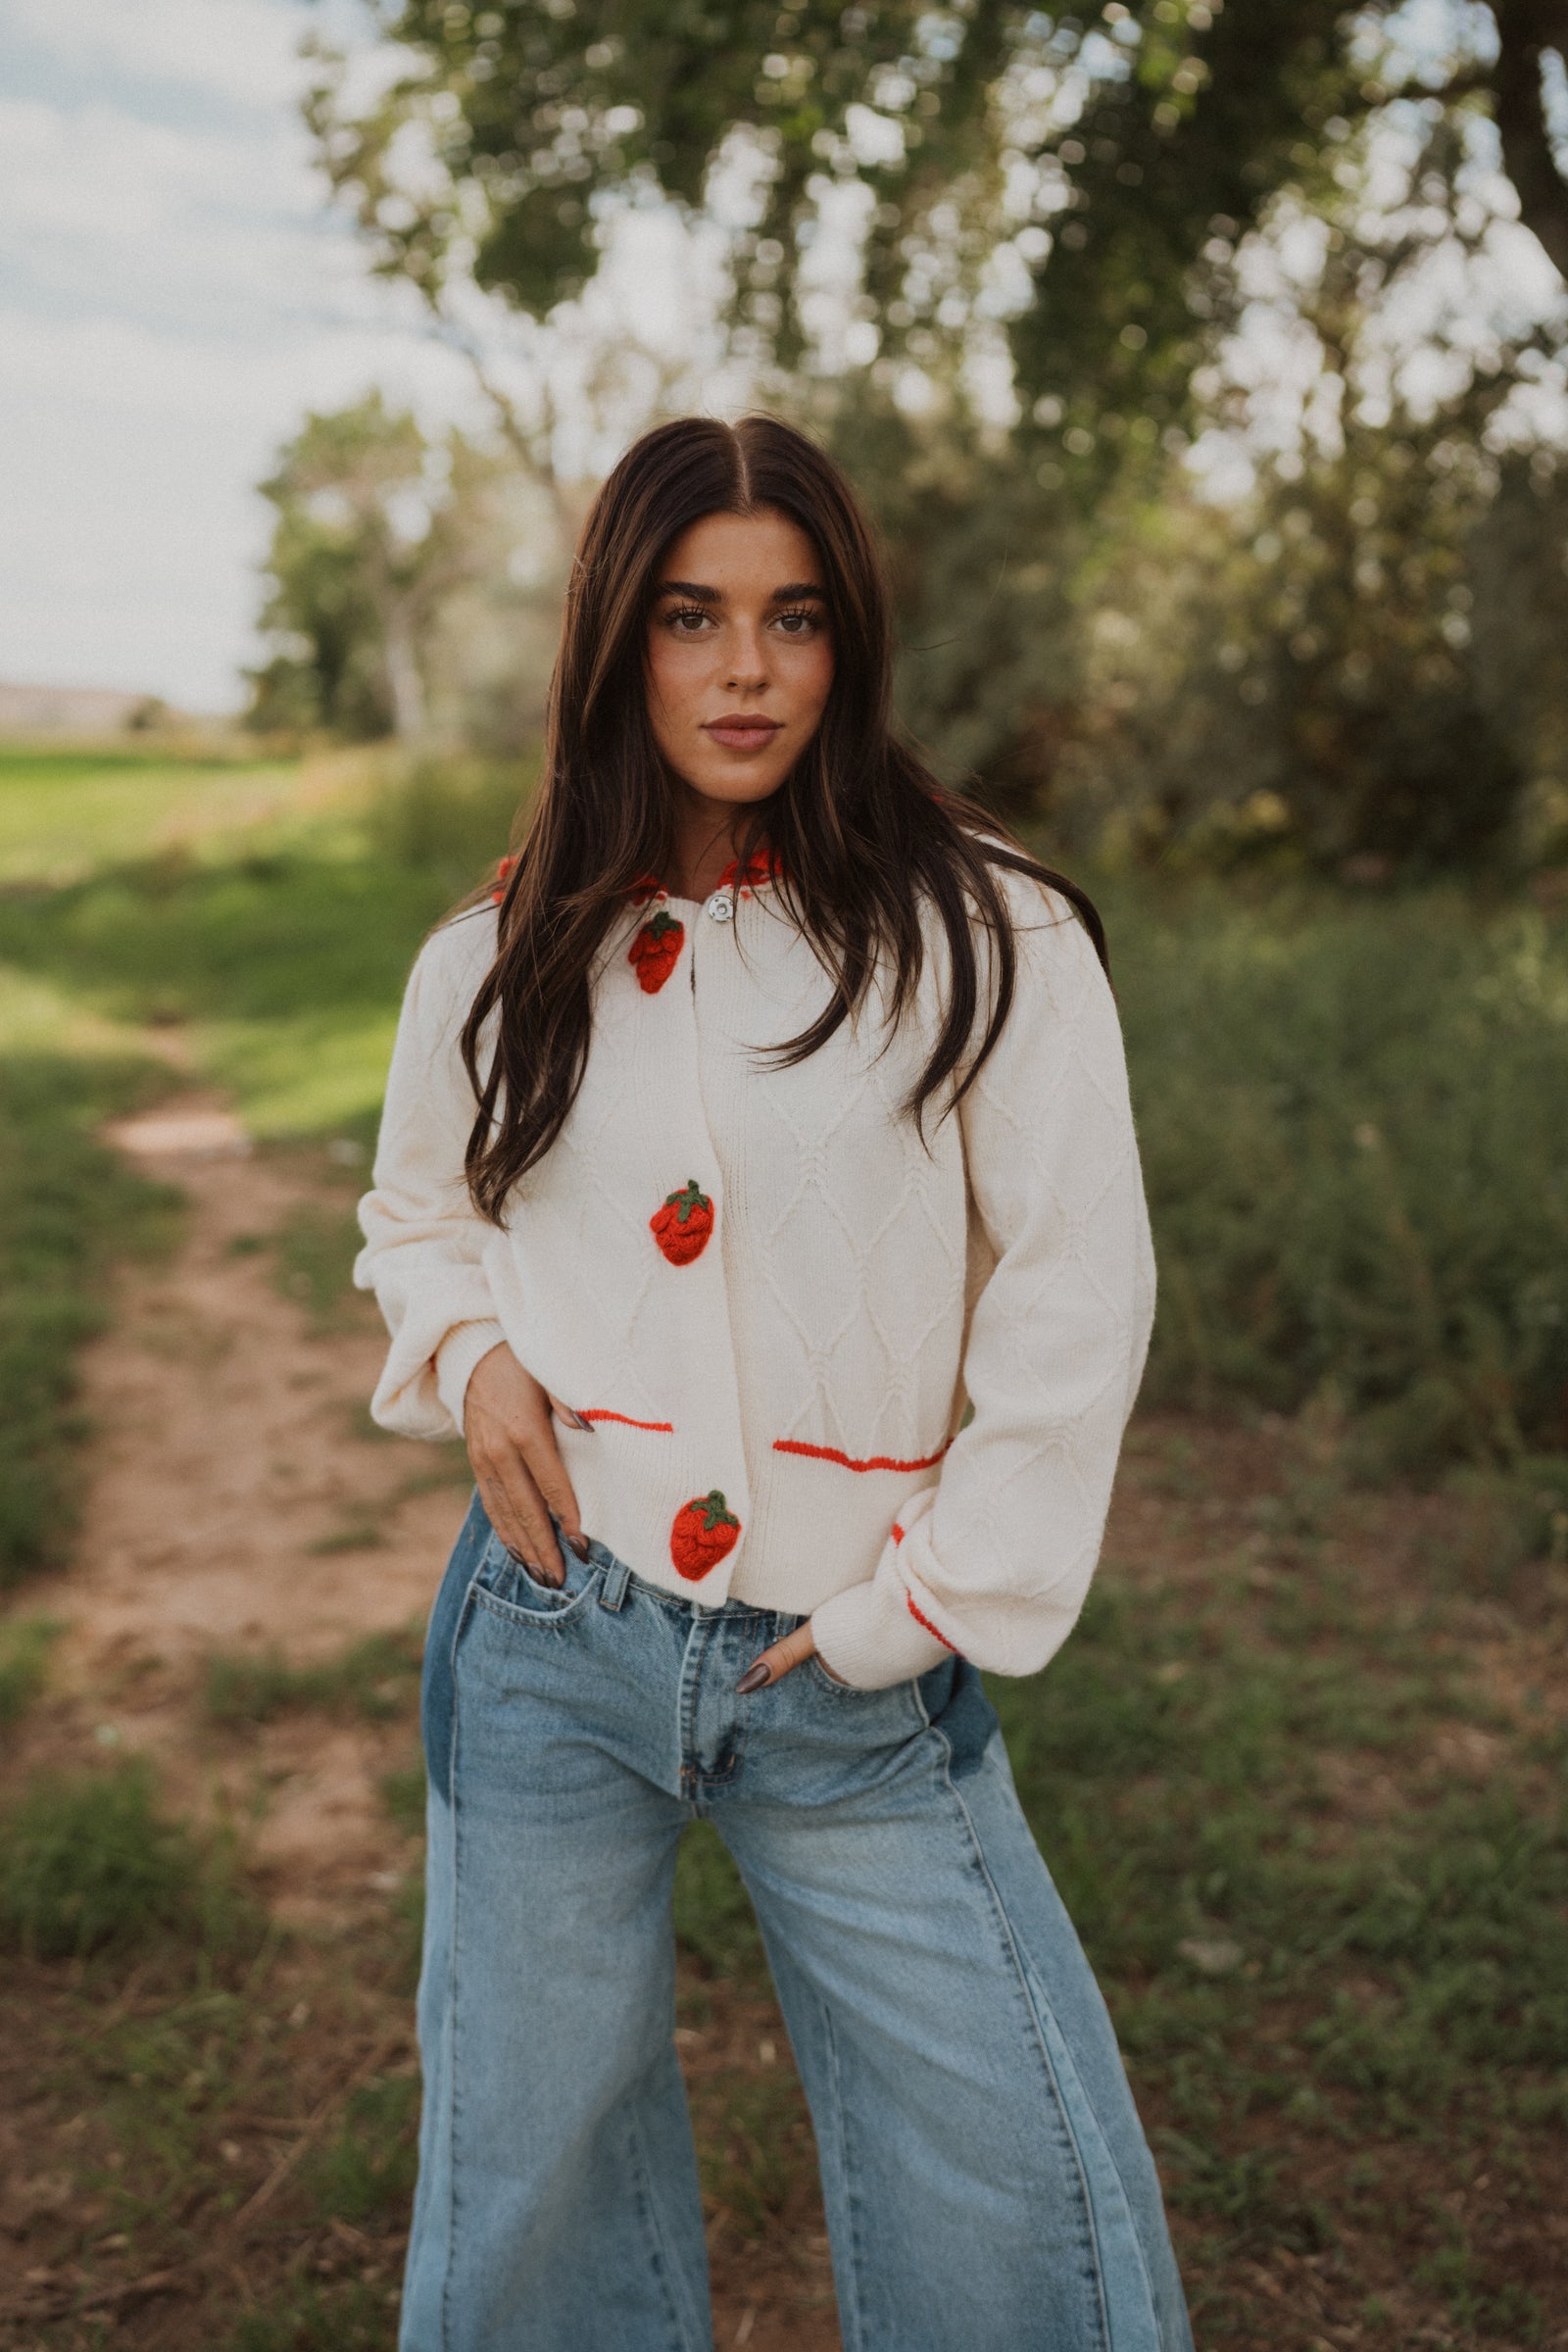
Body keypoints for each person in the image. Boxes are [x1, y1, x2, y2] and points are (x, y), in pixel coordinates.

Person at [355, 413, 1193, 2352]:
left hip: (849, 1666)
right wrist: (472, 1353)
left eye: (793, 618)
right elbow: (417, 1212)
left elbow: (1077, 1296)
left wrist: (929, 1605)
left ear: (849, 641)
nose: (745, 670)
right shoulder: (496, 952)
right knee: (528, 2191)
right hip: (546, 1639)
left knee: (1017, 2201)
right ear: (615, 642)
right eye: (690, 617)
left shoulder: (985, 930)